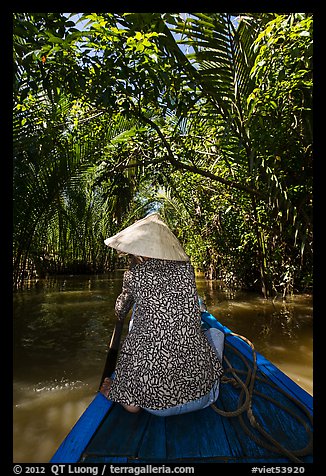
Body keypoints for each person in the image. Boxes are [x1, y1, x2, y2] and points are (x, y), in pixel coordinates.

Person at [100, 212, 224, 416]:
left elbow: (120, 310)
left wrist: (128, 291)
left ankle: (129, 397)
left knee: (137, 332)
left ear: (140, 250)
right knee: (212, 335)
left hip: (155, 405)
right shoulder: (187, 271)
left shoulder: (134, 275)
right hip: (204, 395)